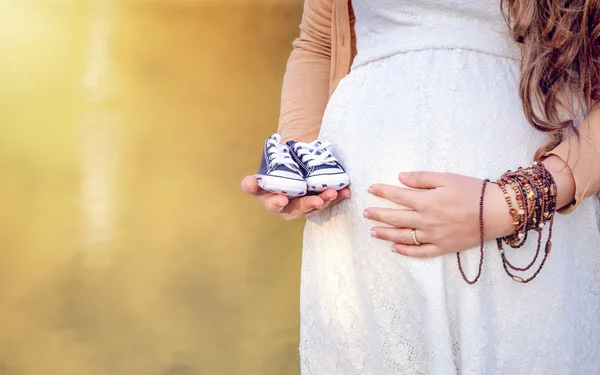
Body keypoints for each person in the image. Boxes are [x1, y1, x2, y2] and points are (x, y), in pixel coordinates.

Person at [241, 0, 600, 373]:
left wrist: (517, 200)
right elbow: (318, 43)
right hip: (365, 224)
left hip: (534, 212)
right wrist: (301, 161)